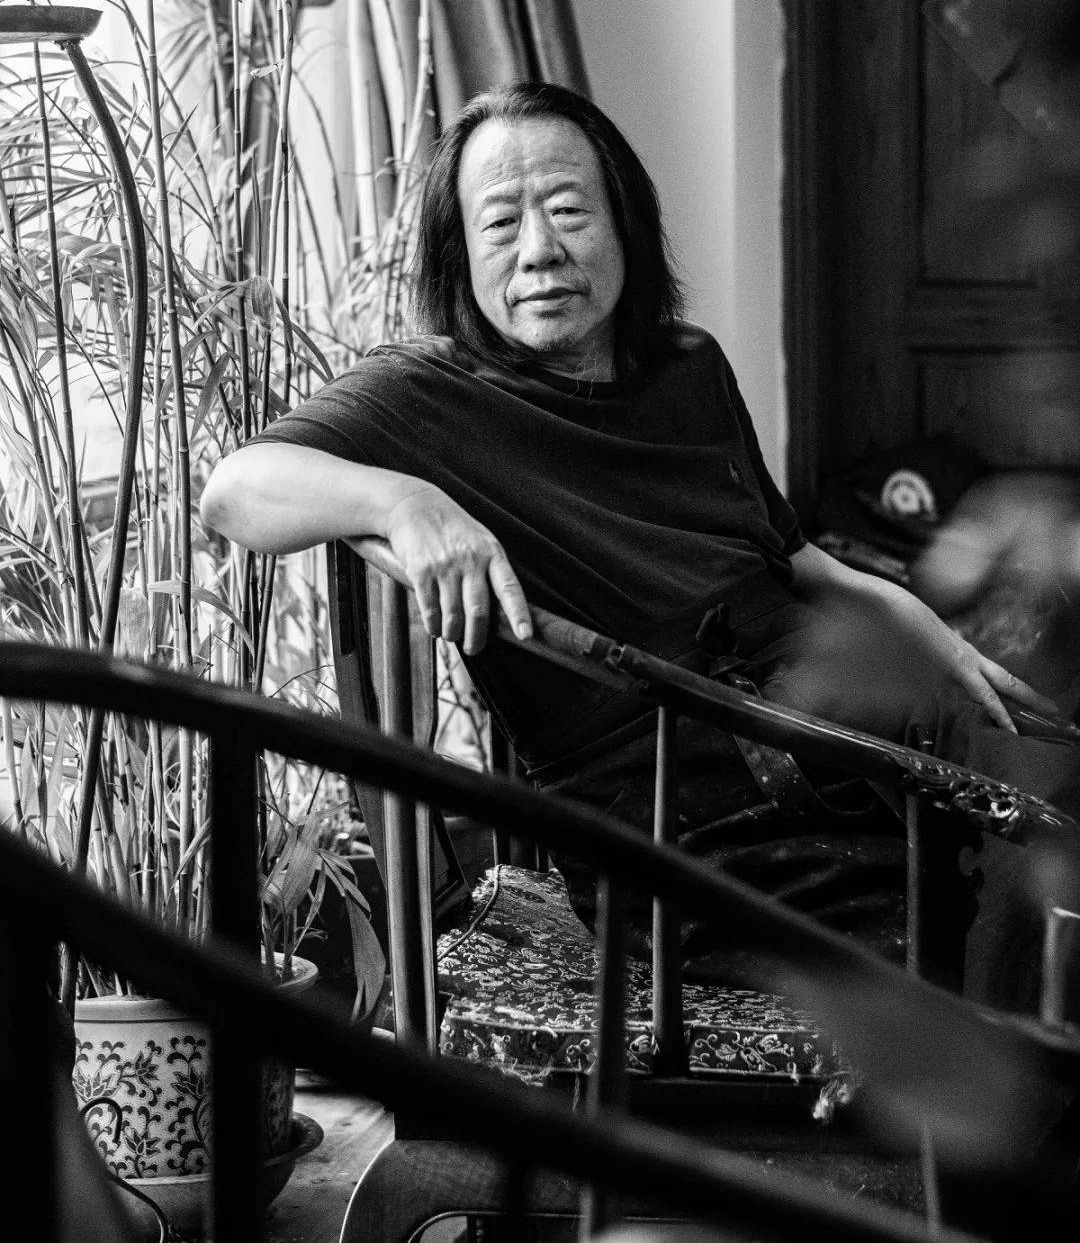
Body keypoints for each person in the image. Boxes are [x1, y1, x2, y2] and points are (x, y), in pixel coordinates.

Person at [201, 80, 1079, 1014]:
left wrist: (922, 627)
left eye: (570, 210)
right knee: (1028, 914)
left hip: (854, 744)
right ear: (462, 256)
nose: (540, 250)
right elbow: (234, 492)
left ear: (625, 225)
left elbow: (789, 557)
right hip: (696, 830)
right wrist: (405, 500)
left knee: (1054, 780)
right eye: (501, 224)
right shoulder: (430, 396)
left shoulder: (689, 366)